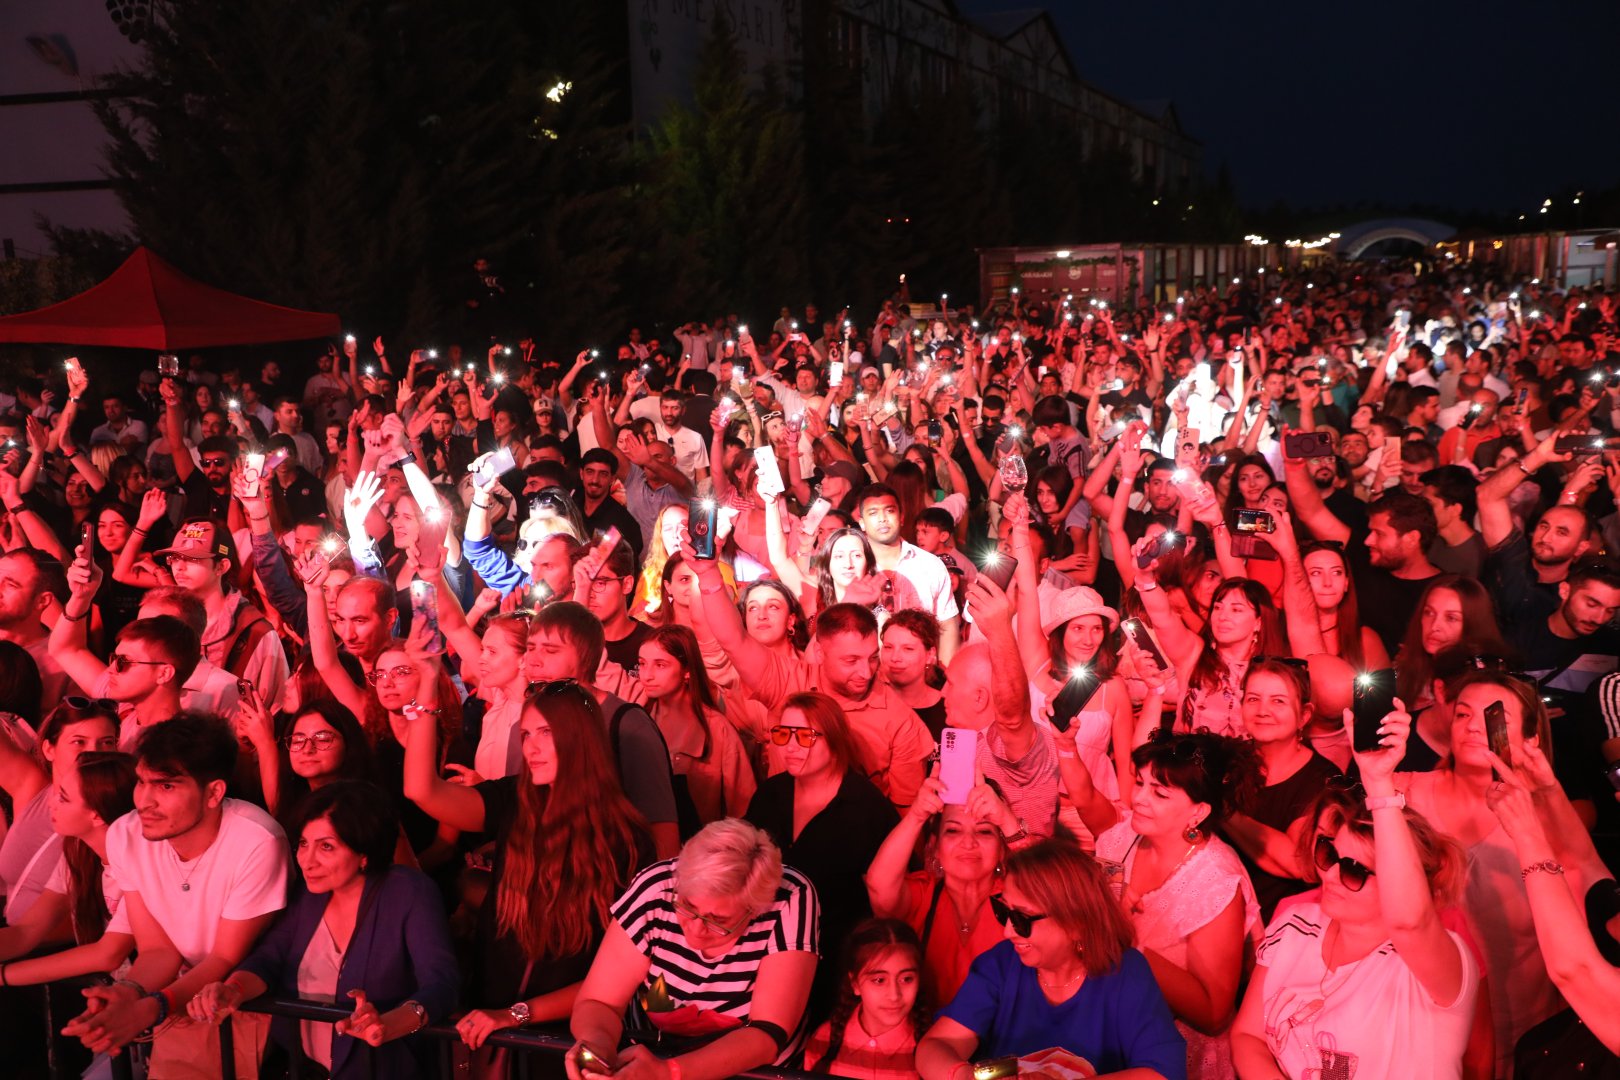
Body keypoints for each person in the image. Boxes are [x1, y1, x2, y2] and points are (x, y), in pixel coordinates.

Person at [402, 680, 651, 1060]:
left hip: (563, 1043)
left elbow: (618, 972)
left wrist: (517, 1015)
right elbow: (423, 792)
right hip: (487, 1029)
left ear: (580, 737)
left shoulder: (625, 840)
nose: (531, 747)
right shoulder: (515, 800)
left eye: (546, 732)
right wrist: (425, 695)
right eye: (526, 734)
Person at [1231, 707, 1480, 1080]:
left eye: (1354, 869)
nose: (1330, 873)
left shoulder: (1433, 962)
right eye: (1329, 853)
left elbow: (1411, 923)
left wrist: (1379, 785)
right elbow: (1247, 1035)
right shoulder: (1295, 922)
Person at [63, 715, 289, 1078]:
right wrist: (127, 992)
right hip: (180, 1000)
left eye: (166, 786)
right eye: (141, 782)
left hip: (248, 1004)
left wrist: (148, 1008)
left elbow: (225, 957)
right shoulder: (126, 835)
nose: (145, 801)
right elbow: (157, 949)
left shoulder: (257, 841)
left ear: (214, 792)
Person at [188, 781, 457, 1079]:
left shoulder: (408, 892)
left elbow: (442, 984)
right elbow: (268, 960)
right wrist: (232, 990)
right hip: (307, 1069)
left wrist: (389, 1023)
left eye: (326, 846)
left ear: (364, 852)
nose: (307, 860)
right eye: (303, 843)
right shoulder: (309, 896)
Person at [1396, 672, 1567, 1076]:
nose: (1473, 725)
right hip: (1422, 1026)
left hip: (1523, 1035)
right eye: (1461, 714)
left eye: (1493, 715)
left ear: (1531, 738)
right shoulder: (1401, 793)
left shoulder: (1550, 820)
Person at [915, 835, 1187, 1080]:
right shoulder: (1000, 964)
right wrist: (962, 1075)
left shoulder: (1125, 973)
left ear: (1075, 922)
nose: (1008, 931)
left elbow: (1164, 1071)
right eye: (1004, 911)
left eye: (1022, 919)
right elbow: (935, 1046)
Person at [566, 818, 819, 1074]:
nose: (696, 929)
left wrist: (669, 1073)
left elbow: (767, 1034)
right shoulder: (656, 888)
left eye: (718, 920)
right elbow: (599, 1002)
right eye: (688, 906)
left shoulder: (790, 898)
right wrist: (597, 1048)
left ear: (754, 911)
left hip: (750, 1072)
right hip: (646, 1063)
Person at [1086, 732, 1262, 1080]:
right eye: (1140, 783)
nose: (1138, 799)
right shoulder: (1121, 840)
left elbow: (1212, 1012)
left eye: (1159, 792)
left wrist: (1128, 940)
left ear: (1198, 812)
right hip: (1105, 1029)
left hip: (1176, 1055)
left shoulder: (1215, 881)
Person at [745, 692, 897, 1008]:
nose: (790, 745)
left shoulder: (868, 809)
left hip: (837, 965)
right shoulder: (770, 795)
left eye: (805, 736)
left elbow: (891, 897)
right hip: (767, 956)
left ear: (836, 739)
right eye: (783, 733)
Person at [1219, 660, 1343, 921]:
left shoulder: (1323, 780)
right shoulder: (1228, 760)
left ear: (1304, 715)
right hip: (1217, 902)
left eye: (1278, 701)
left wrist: (1223, 811)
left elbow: (1299, 864)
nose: (1263, 711)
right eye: (1253, 699)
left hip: (1280, 918)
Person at [0, 751, 137, 986]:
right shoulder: (78, 851)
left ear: (96, 815)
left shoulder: (138, 864)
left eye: (63, 797)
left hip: (166, 995)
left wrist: (3, 976)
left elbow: (108, 955)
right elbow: (27, 930)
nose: (51, 802)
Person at [0, 697, 119, 926]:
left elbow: (106, 923)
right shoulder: (34, 788)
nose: (93, 753)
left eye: (107, 742)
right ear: (48, 749)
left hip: (52, 949)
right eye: (79, 742)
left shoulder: (114, 817)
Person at [639, 625, 758, 832]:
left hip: (700, 848)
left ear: (686, 670)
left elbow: (743, 808)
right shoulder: (638, 719)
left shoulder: (717, 729)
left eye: (660, 665)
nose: (647, 675)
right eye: (641, 664)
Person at [803, 917, 930, 1079]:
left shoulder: (930, 1050)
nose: (894, 995)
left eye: (906, 979)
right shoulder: (825, 1040)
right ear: (855, 983)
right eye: (879, 980)